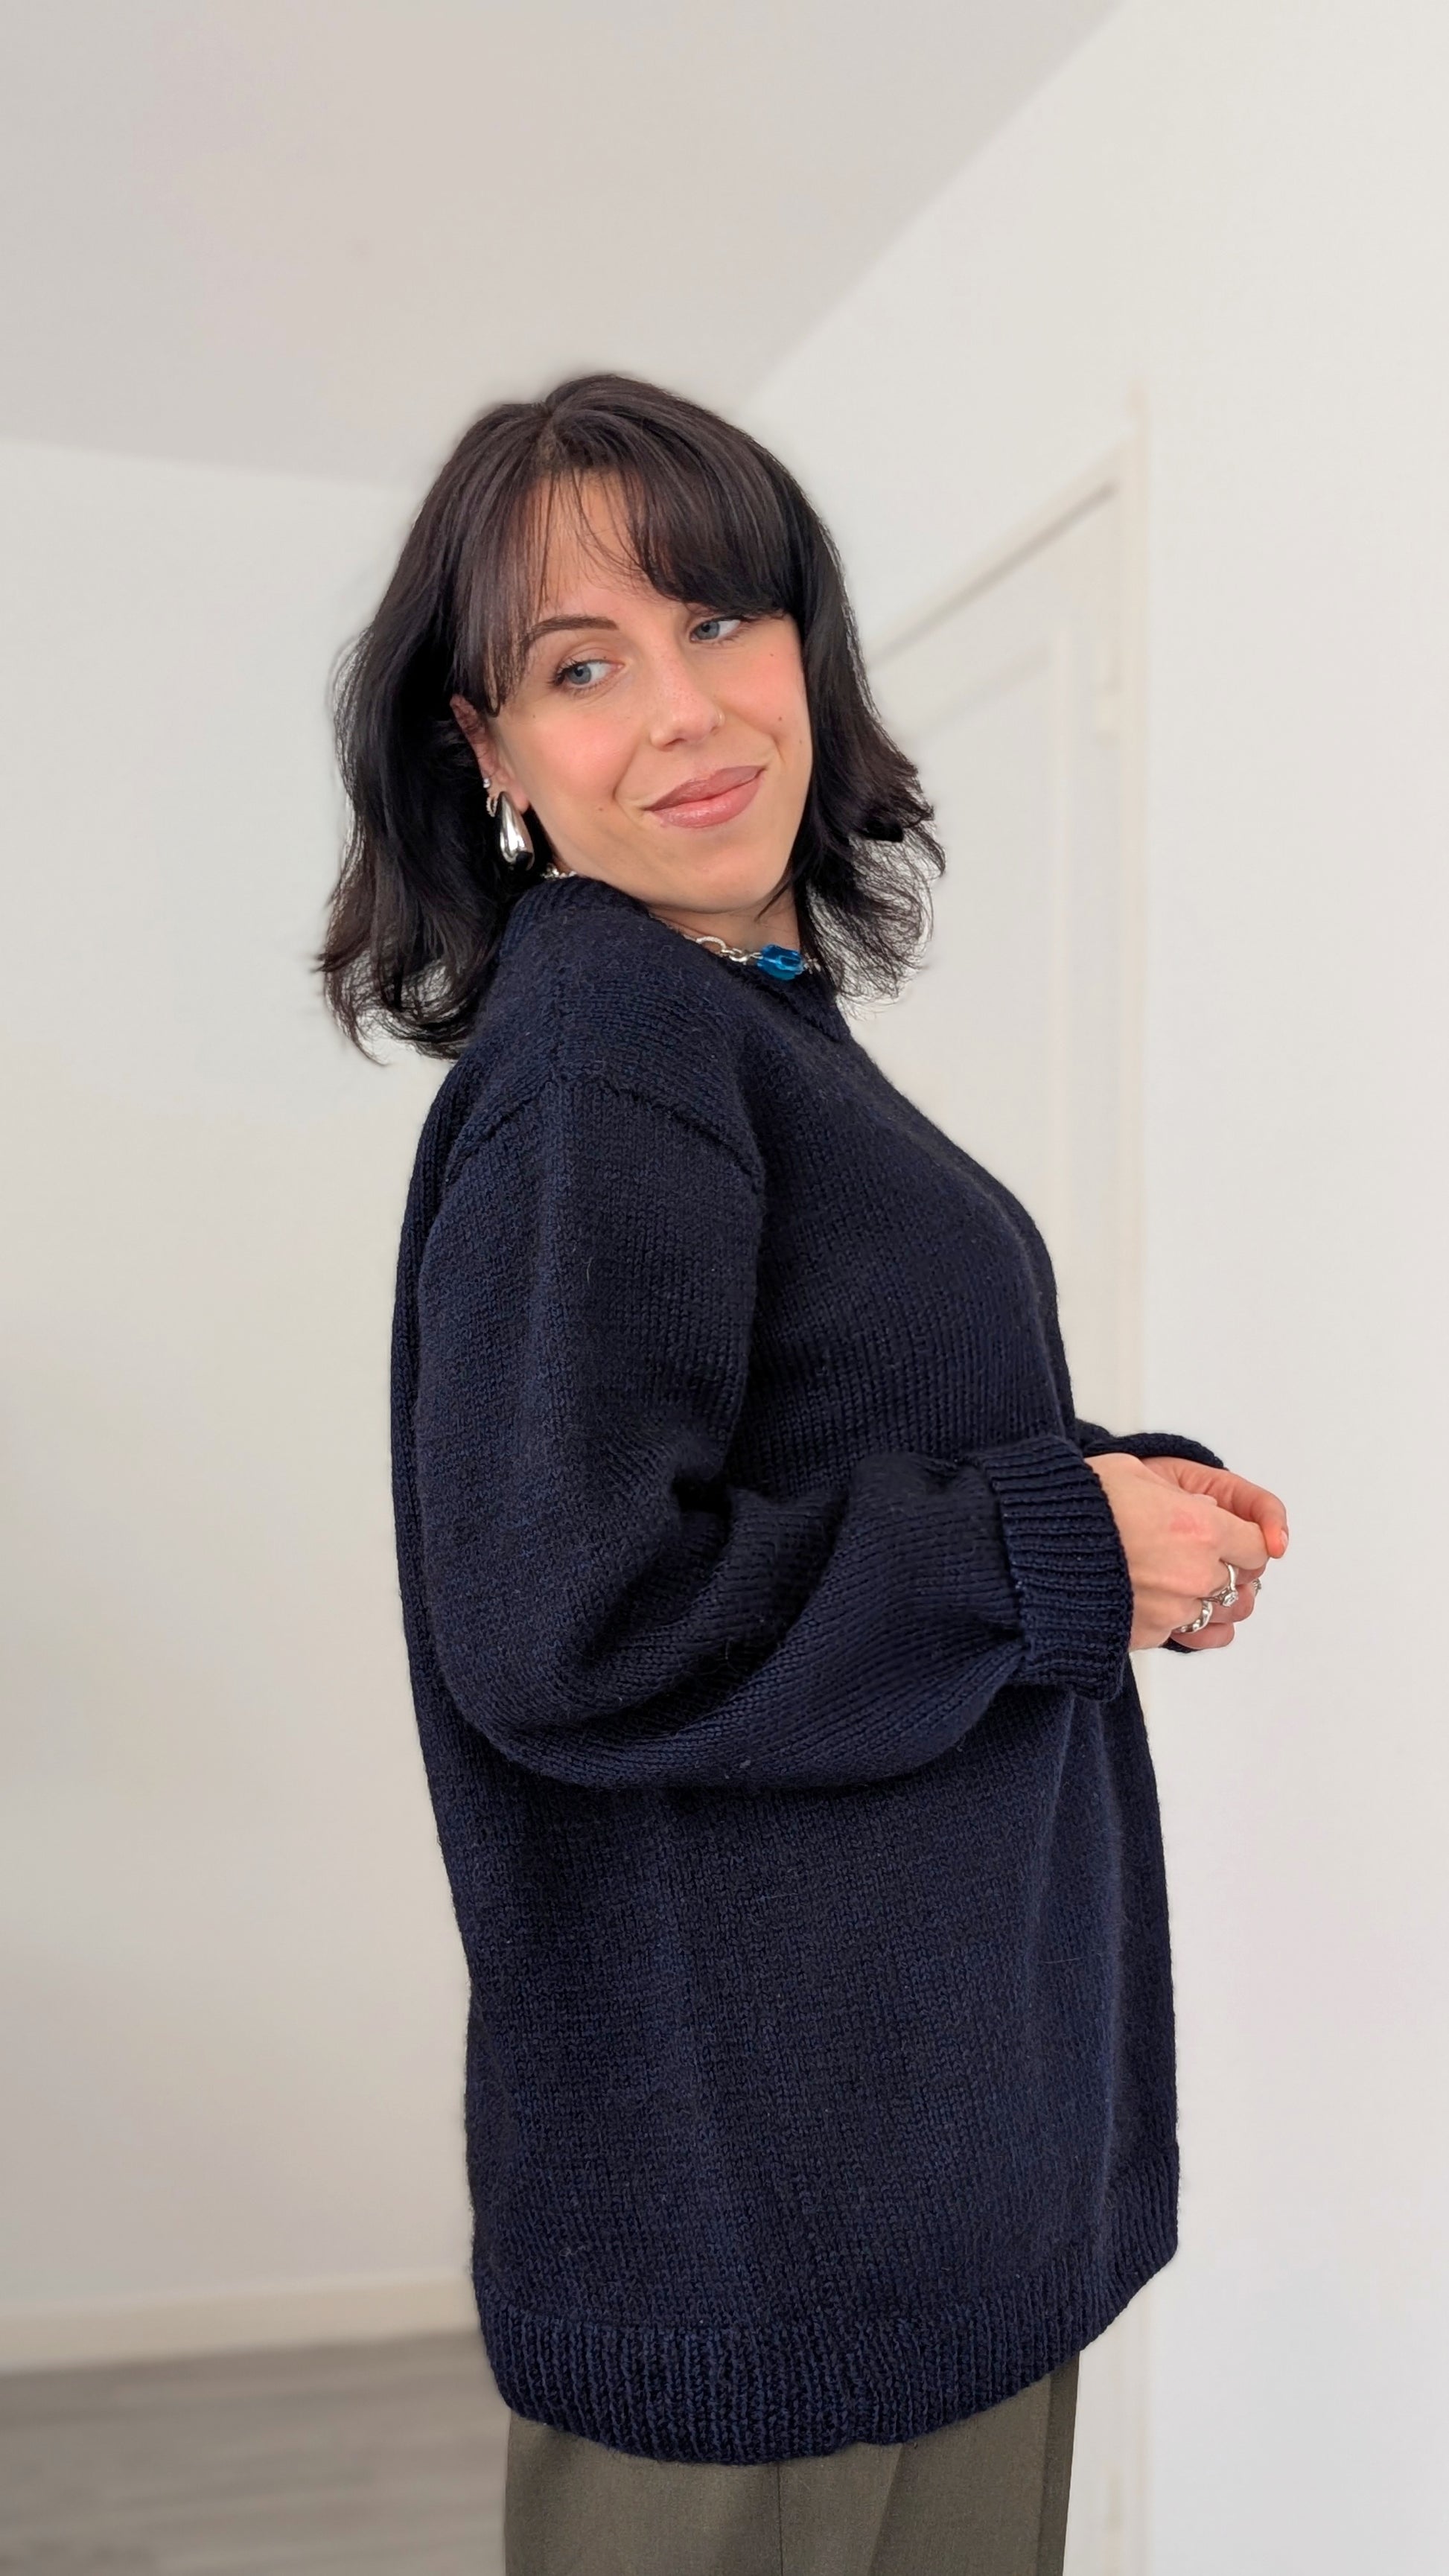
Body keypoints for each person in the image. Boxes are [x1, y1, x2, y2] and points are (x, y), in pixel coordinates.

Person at [318, 372, 1288, 2576]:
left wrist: (1106, 1503)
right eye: (581, 666)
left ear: (803, 647)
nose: (683, 708)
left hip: (902, 2170)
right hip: (774, 2215)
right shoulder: (611, 1049)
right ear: (487, 750)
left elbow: (829, 1456)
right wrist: (1042, 1545)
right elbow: (568, 1621)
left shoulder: (740, 1023)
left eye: (719, 621)